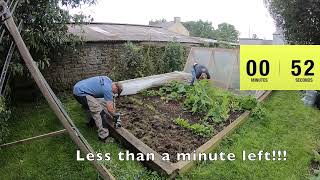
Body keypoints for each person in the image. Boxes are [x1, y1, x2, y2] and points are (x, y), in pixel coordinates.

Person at [73, 76, 123, 141]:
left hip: (79, 87)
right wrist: (115, 115)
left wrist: (113, 112)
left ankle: (90, 123)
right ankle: (104, 137)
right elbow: (110, 108)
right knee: (99, 111)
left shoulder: (107, 80)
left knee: (99, 103)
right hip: (81, 93)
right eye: (116, 92)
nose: (114, 93)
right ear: (116, 88)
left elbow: (109, 102)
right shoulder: (108, 89)